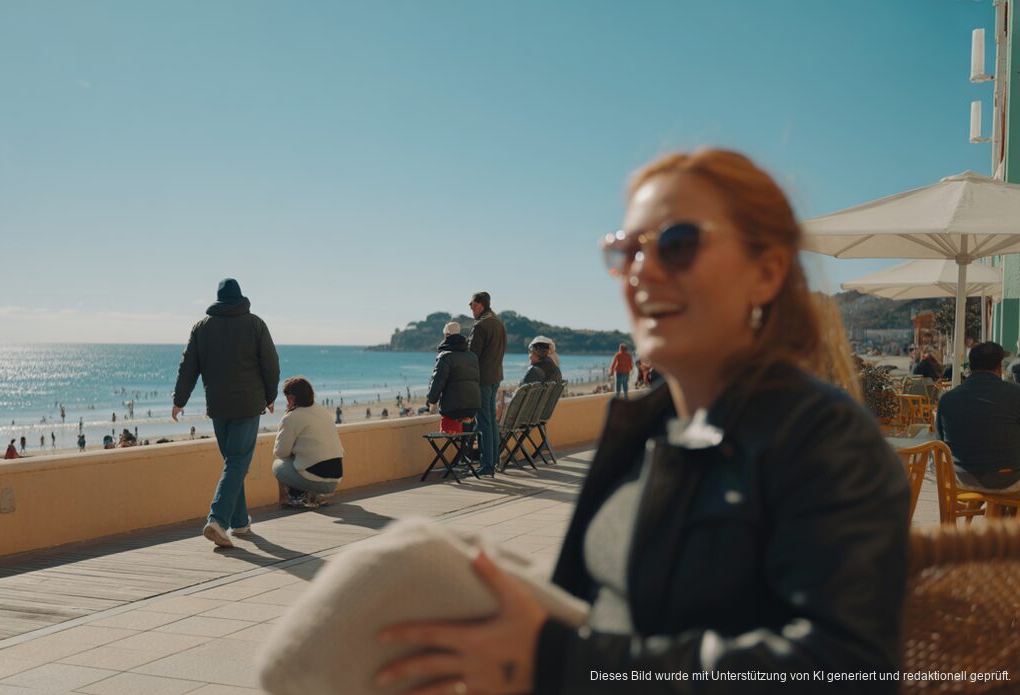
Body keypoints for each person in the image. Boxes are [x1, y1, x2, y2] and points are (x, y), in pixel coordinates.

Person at [375, 149, 908, 693]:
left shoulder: (823, 439)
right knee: (395, 571)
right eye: (627, 249)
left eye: (678, 244)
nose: (642, 271)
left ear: (766, 271)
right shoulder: (647, 426)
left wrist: (561, 661)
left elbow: (850, 670)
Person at [173, 278, 280, 549]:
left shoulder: (202, 328)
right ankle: (218, 519)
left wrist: (179, 400)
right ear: (241, 297)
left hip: (218, 406)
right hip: (247, 405)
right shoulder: (255, 324)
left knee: (234, 462)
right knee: (236, 462)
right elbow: (271, 363)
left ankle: (240, 522)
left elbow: (188, 366)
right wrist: (270, 396)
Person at [936, 341, 1020, 493]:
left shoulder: (946, 399)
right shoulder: (1015, 394)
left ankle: (999, 512)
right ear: (999, 368)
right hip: (1007, 482)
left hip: (961, 480)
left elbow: (940, 444)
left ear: (970, 368)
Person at [272, 377, 344, 508]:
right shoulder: (321, 410)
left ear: (292, 398)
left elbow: (280, 452)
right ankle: (315, 495)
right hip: (336, 478)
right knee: (302, 460)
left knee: (277, 466)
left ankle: (293, 499)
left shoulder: (291, 417)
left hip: (317, 480)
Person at [469, 291, 507, 477]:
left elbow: (472, 356)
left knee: (484, 422)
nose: (470, 309)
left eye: (472, 305)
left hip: (483, 379)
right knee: (491, 421)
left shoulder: (481, 326)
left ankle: (487, 464)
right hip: (495, 377)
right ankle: (493, 461)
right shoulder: (499, 323)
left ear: (480, 305)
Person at [426, 321, 481, 435]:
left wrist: (431, 400)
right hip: (472, 409)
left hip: (453, 410)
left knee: (450, 441)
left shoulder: (445, 357)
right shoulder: (472, 356)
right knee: (463, 443)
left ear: (446, 336)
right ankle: (464, 452)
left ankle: (454, 452)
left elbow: (437, 382)